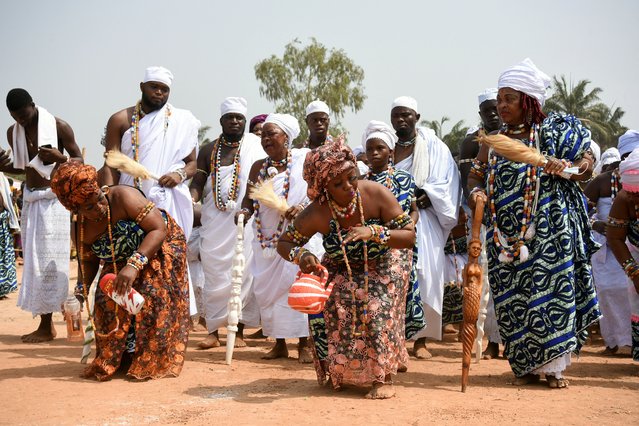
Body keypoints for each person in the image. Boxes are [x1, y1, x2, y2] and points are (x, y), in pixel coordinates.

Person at [467, 58, 601, 388]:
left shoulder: (556, 133)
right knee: (513, 301)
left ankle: (554, 368)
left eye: (508, 99)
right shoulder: (494, 140)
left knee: (550, 294)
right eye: (499, 99)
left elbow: (588, 163)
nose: (501, 105)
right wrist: (477, 194)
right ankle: (525, 364)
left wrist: (571, 168)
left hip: (551, 232)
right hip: (504, 238)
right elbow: (475, 175)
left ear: (528, 101)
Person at [277, 139, 415, 399]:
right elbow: (285, 242)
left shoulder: (375, 193)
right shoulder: (317, 212)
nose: (348, 187)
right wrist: (302, 254)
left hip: (386, 261)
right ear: (324, 187)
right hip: (342, 265)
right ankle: (339, 372)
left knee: (373, 306)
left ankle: (382, 377)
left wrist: (373, 232)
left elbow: (408, 236)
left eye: (351, 178)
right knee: (325, 306)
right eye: (338, 184)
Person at [50, 161, 189, 381]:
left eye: (98, 198)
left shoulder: (123, 196)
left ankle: (149, 355)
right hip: (119, 259)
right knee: (106, 301)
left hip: (158, 247)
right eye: (88, 207)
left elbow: (158, 229)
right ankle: (122, 355)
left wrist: (133, 265)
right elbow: (88, 264)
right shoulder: (80, 227)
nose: (99, 207)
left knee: (150, 292)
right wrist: (79, 293)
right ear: (75, 209)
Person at [0, 88, 82, 342]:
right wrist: (4, 167)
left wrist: (62, 158)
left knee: (51, 262)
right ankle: (46, 323)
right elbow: (25, 168)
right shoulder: (13, 132)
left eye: (25, 116)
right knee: (34, 264)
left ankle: (52, 325)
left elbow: (78, 158)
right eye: (17, 118)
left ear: (33, 106)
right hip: (31, 200)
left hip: (54, 200)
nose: (22, 122)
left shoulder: (58, 125)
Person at [237, 113, 315, 362]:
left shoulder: (304, 161)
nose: (266, 138)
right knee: (267, 291)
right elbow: (249, 198)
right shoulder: (258, 167)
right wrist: (245, 211)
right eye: (264, 134)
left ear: (287, 138)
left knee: (297, 286)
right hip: (265, 239)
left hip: (297, 235)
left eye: (272, 133)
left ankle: (304, 344)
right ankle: (279, 343)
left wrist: (301, 209)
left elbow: (316, 193)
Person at [189, 97, 264, 349]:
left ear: (244, 120)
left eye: (239, 118)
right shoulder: (208, 149)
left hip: (244, 222)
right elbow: (198, 183)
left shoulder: (255, 147)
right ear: (221, 121)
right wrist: (191, 199)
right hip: (214, 223)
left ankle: (238, 330)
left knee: (242, 274)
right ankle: (213, 331)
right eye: (229, 117)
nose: (234, 121)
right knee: (214, 274)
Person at [391, 96, 461, 359]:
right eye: (396, 115)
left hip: (426, 219)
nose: (401, 120)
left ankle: (421, 341)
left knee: (426, 276)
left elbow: (448, 182)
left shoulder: (434, 147)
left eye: (406, 115)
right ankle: (395, 339)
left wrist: (425, 196)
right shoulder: (387, 146)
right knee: (395, 276)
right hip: (392, 220)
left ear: (417, 117)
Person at [100, 66, 200, 242]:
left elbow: (192, 164)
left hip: (170, 201)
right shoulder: (120, 119)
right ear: (142, 86)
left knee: (169, 255)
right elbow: (111, 164)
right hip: (130, 197)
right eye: (153, 87)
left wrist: (179, 174)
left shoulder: (182, 121)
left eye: (164, 89)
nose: (159, 92)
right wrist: (109, 197)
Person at [361, 120, 425, 342]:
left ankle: (397, 351)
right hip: (370, 249)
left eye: (380, 148)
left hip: (398, 247)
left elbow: (415, 210)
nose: (374, 153)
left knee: (397, 300)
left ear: (391, 151)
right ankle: (381, 350)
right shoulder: (360, 182)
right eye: (370, 149)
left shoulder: (404, 179)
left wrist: (408, 224)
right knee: (375, 302)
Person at [584, 132, 639, 355]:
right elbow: (615, 237)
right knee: (610, 291)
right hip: (612, 249)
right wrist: (634, 273)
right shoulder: (619, 194)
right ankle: (618, 340)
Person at [607, 143, 639, 363]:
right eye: (632, 194)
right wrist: (634, 273)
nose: (635, 199)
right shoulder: (623, 199)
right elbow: (615, 238)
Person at [459, 89, 502, 198]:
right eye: (486, 111)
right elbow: (468, 182)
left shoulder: (517, 136)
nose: (491, 114)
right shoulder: (471, 142)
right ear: (480, 114)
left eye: (494, 108)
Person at [0, 171, 19, 298]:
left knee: (4, 257)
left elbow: (6, 202)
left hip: (3, 224)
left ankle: (3, 289)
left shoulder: (2, 179)